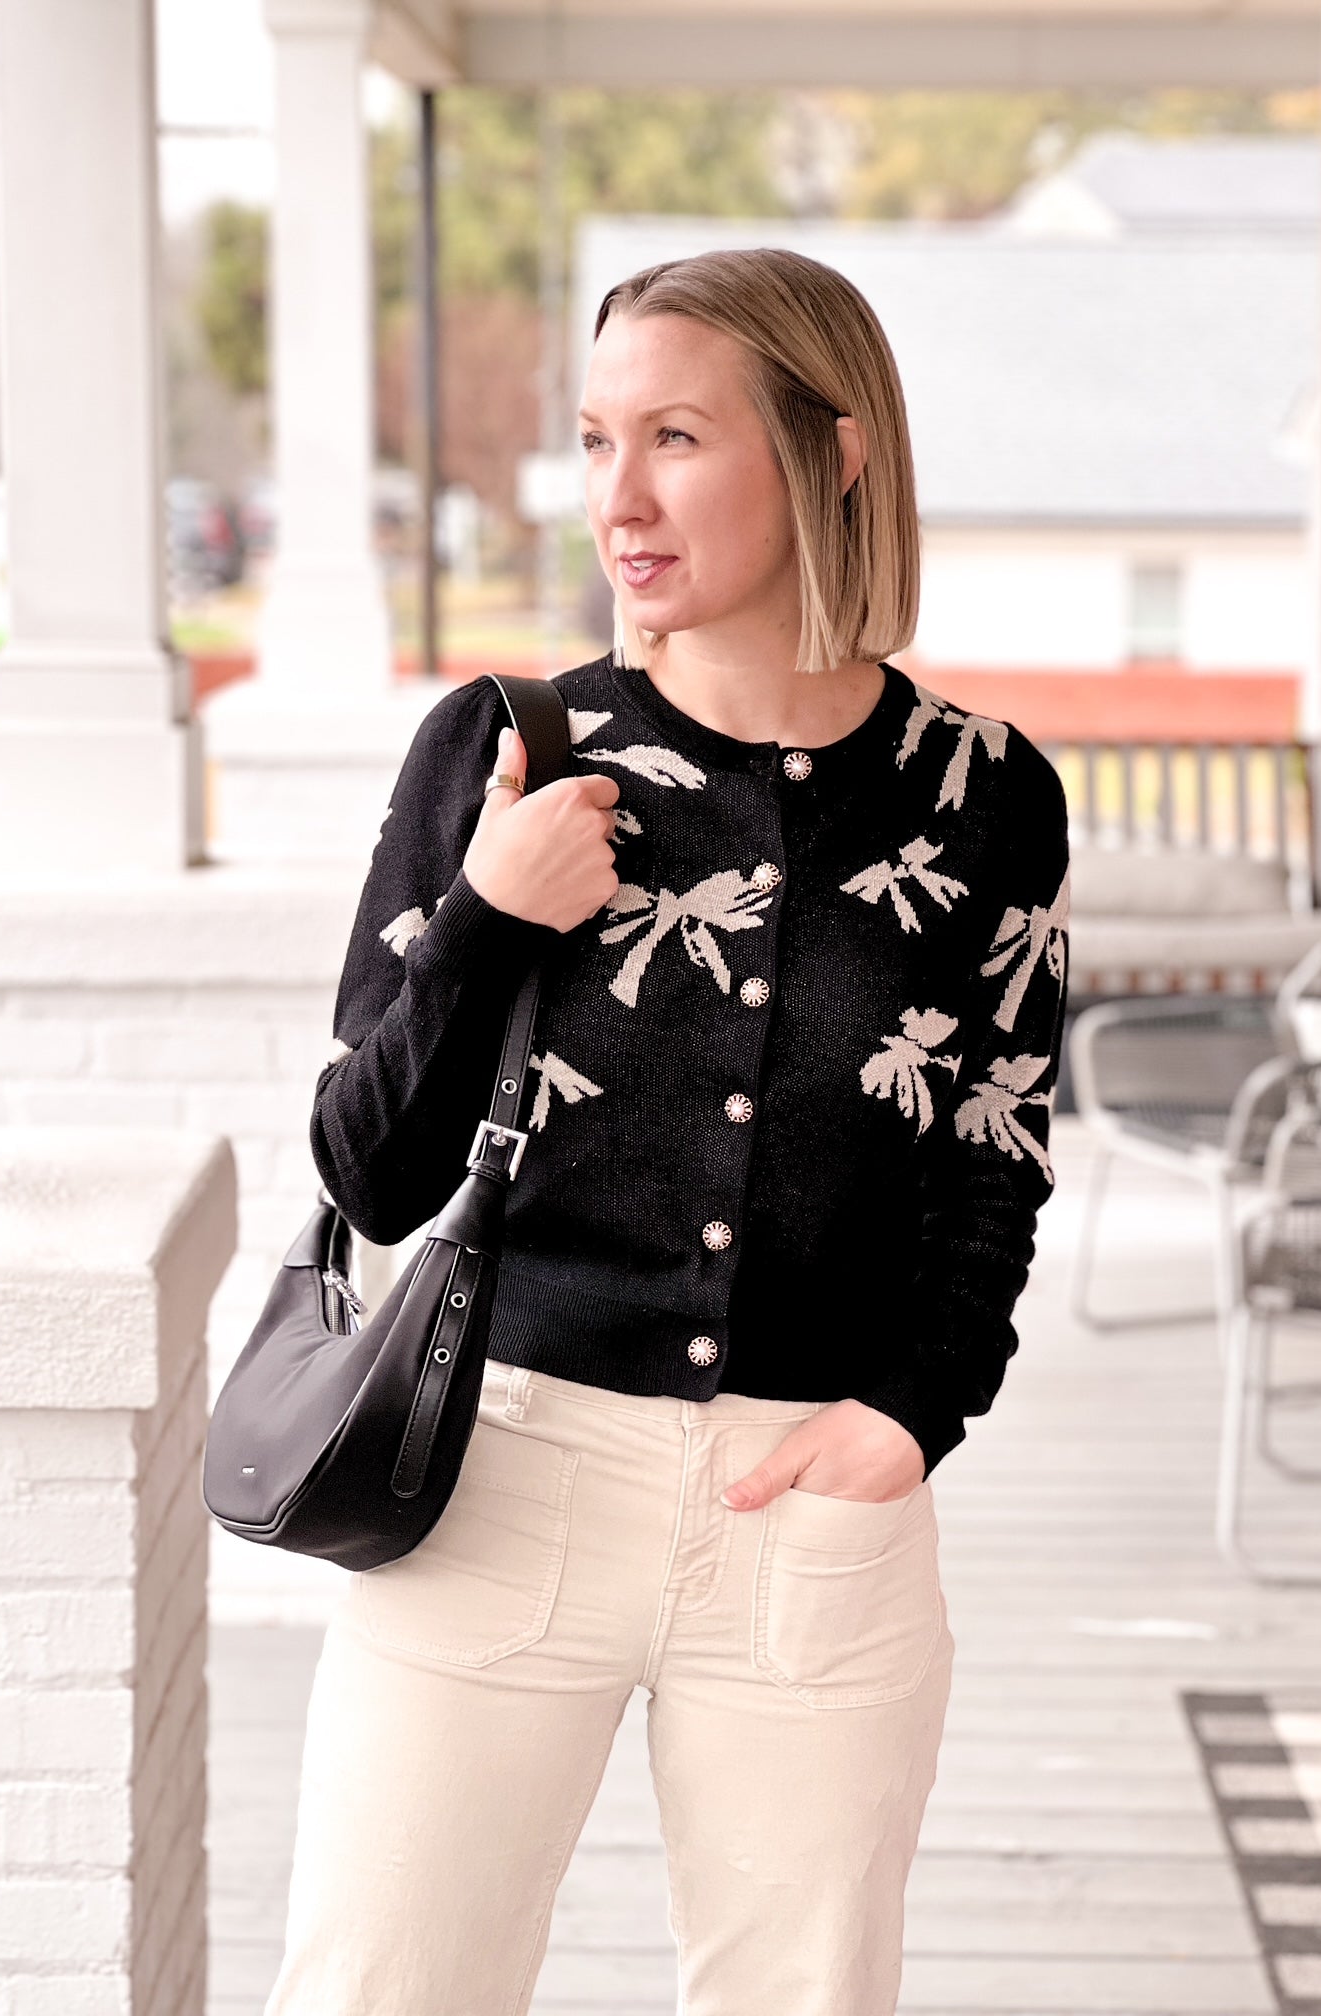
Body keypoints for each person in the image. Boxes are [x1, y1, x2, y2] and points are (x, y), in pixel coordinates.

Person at [265, 245, 1069, 2016]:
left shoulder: (987, 795)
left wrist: (909, 1416)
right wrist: (488, 914)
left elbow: (993, 1154)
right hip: (498, 1478)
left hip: (810, 1507)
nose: (616, 498)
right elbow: (367, 1172)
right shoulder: (506, 749)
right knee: (380, 1991)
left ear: (833, 454)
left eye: (678, 438)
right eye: (594, 438)